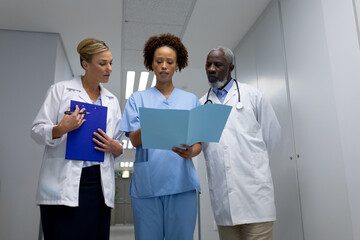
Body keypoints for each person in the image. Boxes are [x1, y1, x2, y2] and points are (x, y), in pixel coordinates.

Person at [31, 38, 123, 240]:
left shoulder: (112, 101)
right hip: (62, 184)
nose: (109, 68)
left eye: (111, 63)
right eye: (102, 63)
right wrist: (60, 128)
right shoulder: (60, 90)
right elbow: (37, 130)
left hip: (98, 185)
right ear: (85, 64)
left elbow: (116, 142)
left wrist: (117, 148)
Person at [120, 33, 201, 240]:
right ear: (151, 64)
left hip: (182, 184)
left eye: (169, 62)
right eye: (159, 61)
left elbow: (198, 143)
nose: (164, 65)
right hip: (148, 185)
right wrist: (155, 122)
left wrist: (192, 151)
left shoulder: (191, 100)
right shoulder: (137, 99)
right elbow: (135, 140)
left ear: (177, 65)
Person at [200, 47, 281, 240]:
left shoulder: (253, 96)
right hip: (224, 201)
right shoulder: (201, 104)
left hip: (255, 197)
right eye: (208, 64)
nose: (211, 69)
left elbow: (272, 134)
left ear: (231, 67)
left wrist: (254, 164)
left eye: (217, 64)